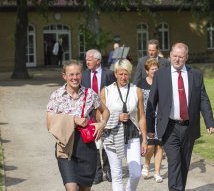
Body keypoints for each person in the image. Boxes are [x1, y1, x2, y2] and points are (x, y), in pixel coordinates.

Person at [147, 42, 214, 191]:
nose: (177, 59)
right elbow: (151, 103)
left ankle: (179, 188)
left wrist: (209, 122)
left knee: (184, 163)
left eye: (181, 57)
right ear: (170, 55)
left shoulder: (196, 75)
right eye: (175, 56)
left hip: (188, 127)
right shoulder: (160, 75)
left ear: (186, 58)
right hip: (169, 126)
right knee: (174, 161)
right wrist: (150, 128)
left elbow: (203, 99)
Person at [46, 59, 110, 191]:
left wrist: (102, 124)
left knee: (85, 189)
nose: (75, 78)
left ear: (81, 74)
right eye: (71, 74)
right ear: (64, 76)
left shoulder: (90, 94)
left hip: (86, 146)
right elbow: (49, 123)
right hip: (65, 146)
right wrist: (73, 120)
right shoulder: (57, 96)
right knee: (71, 189)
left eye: (77, 74)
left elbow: (105, 111)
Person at [101, 59, 148, 191]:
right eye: (120, 74)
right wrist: (116, 117)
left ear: (130, 74)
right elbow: (100, 117)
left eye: (126, 74)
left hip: (132, 135)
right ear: (115, 74)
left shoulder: (136, 90)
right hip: (112, 136)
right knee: (117, 175)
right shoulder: (106, 91)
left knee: (136, 173)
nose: (123, 77)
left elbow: (142, 117)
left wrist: (144, 140)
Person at [81, 49, 116, 184]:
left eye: (90, 58)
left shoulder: (109, 74)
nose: (87, 61)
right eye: (86, 58)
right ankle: (97, 172)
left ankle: (108, 169)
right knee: (93, 143)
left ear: (98, 60)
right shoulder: (83, 75)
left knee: (107, 142)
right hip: (89, 114)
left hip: (105, 113)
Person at [137, 58, 164, 183]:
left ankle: (157, 172)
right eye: (152, 69)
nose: (155, 70)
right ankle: (147, 164)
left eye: (156, 68)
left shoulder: (162, 83)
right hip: (146, 118)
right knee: (150, 144)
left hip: (160, 118)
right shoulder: (141, 84)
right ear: (147, 70)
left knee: (159, 145)